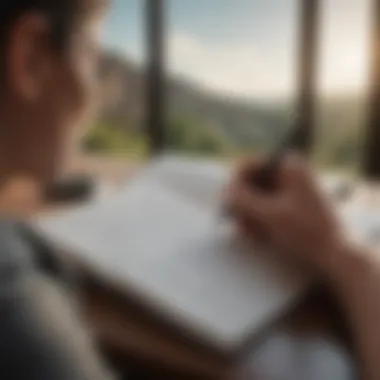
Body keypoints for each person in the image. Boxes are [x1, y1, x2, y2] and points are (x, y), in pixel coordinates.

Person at [0, 1, 378, 380]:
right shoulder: (16, 306)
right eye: (91, 58)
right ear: (31, 57)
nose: (94, 97)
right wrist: (342, 251)